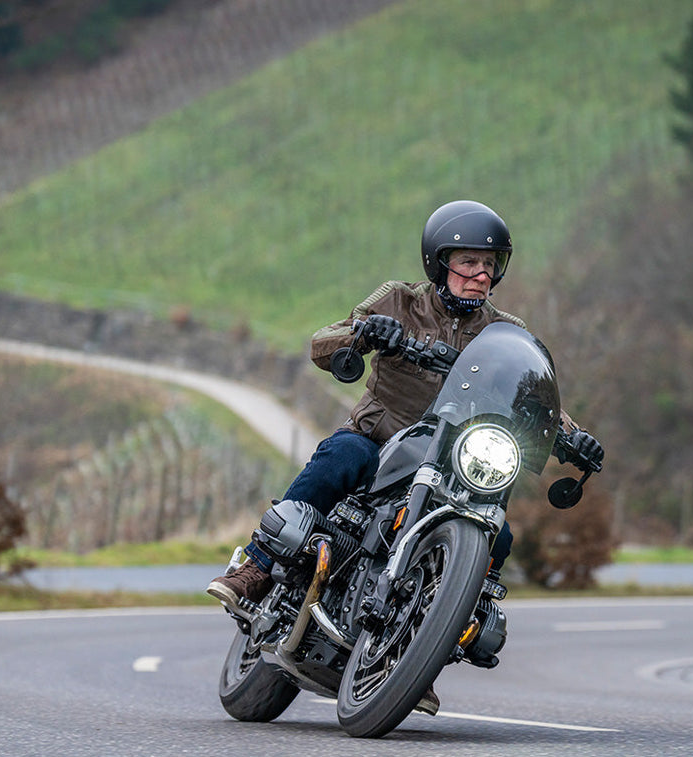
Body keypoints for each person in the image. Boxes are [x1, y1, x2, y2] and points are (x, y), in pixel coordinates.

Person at [207, 199, 603, 615]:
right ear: (439, 262)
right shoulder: (399, 301)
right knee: (340, 456)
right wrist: (366, 333)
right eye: (469, 262)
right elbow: (322, 342)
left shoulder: (505, 333)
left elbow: (535, 394)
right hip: (378, 442)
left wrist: (572, 435)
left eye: (491, 264)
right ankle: (258, 565)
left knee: (497, 536)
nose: (482, 275)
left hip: (453, 465)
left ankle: (433, 648)